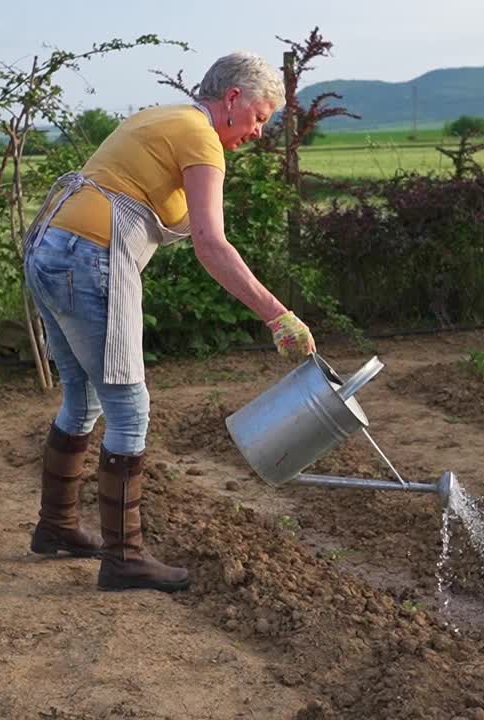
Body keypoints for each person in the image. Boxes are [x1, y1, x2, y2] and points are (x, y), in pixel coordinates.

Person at [22, 51, 316, 593]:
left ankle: (57, 526)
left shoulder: (161, 117)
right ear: (232, 99)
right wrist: (279, 316)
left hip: (50, 250)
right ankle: (124, 558)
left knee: (81, 399)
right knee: (129, 409)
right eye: (258, 117)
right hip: (89, 258)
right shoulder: (201, 137)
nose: (257, 131)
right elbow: (210, 243)